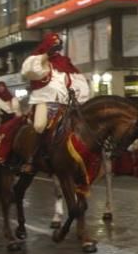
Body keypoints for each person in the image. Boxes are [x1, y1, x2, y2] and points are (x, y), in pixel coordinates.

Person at [19, 32, 91, 173]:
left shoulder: (65, 63)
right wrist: (45, 55)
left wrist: (79, 98)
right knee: (40, 125)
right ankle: (32, 159)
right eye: (53, 45)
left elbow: (77, 82)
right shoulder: (39, 60)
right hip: (45, 102)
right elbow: (29, 71)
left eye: (57, 45)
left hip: (66, 104)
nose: (55, 48)